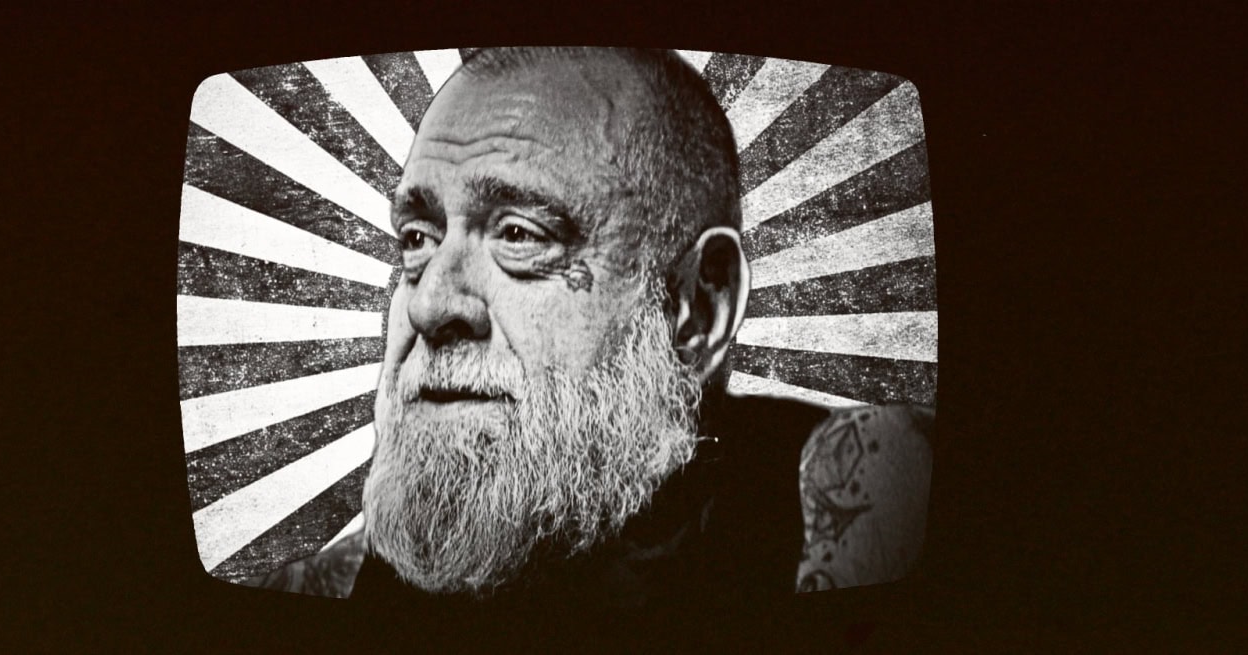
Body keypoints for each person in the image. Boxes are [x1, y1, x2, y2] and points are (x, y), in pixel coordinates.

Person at [245, 47, 934, 608]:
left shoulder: (852, 491)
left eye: (520, 234)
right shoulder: (334, 584)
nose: (428, 306)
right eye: (418, 238)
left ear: (696, 309)